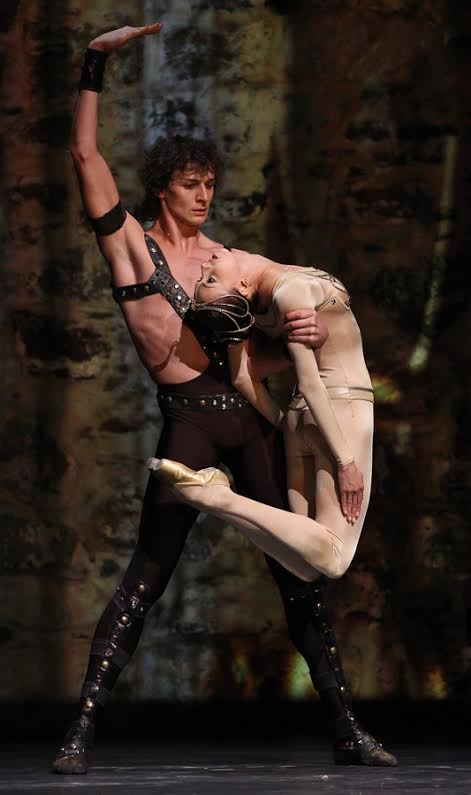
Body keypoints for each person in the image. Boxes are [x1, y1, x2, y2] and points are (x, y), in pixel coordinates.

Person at [52, 22, 396, 774]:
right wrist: (94, 63)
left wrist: (304, 326)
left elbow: (278, 324)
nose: (204, 195)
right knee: (147, 576)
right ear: (162, 188)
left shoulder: (226, 261)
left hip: (250, 420)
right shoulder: (132, 247)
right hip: (190, 425)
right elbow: (84, 155)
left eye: (210, 183)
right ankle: (80, 730)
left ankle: (347, 729)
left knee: (298, 580)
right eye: (191, 184)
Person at [150, 248, 373, 583]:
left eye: (206, 277)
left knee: (307, 567)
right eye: (210, 279)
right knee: (336, 558)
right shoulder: (291, 291)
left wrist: (286, 426)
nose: (206, 264)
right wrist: (345, 462)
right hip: (341, 410)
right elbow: (310, 383)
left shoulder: (255, 310)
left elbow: (243, 377)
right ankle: (219, 498)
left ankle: (214, 499)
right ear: (242, 286)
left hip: (300, 420)